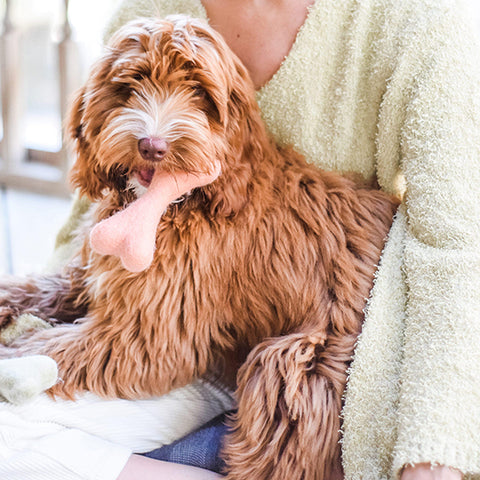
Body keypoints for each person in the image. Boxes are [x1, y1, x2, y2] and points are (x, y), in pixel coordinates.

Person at [2, 0, 479, 479]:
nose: (154, 133)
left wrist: (433, 455)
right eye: (132, 90)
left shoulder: (419, 21)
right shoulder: (142, 14)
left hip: (306, 366)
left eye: (194, 98)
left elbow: (143, 354)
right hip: (205, 357)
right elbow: (83, 268)